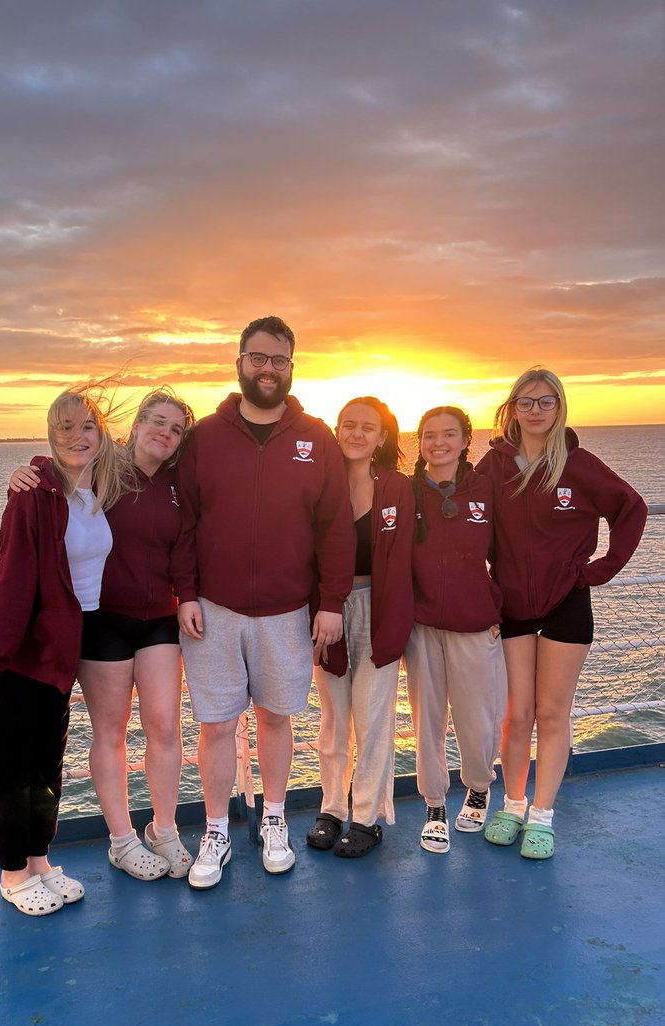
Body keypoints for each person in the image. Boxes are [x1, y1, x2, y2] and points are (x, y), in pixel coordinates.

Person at [174, 316, 355, 889]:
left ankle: (275, 819)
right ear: (240, 363)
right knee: (217, 726)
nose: (268, 369)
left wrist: (331, 602)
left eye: (279, 360)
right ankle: (217, 830)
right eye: (258, 358)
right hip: (215, 610)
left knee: (277, 718)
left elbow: (334, 528)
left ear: (292, 366)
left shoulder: (316, 437)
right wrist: (184, 594)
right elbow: (183, 522)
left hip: (287, 611)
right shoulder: (203, 436)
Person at [8, 390, 196, 881]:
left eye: (176, 429)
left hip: (159, 619)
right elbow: (61, 464)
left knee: (165, 728)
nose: (164, 432)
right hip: (100, 618)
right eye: (157, 421)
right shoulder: (107, 468)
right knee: (110, 733)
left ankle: (164, 829)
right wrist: (25, 471)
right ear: (136, 424)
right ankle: (121, 839)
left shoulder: (180, 483)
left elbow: (188, 549)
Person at [0, 386, 134, 915]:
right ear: (50, 435)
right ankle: (13, 874)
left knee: (47, 767)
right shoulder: (33, 494)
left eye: (87, 426)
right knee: (13, 770)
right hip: (21, 655)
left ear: (101, 434)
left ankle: (39, 861)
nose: (77, 436)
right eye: (65, 428)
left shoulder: (90, 495)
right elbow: (14, 582)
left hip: (62, 652)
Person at [475, 368, 647, 859]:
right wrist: (482, 588)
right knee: (516, 715)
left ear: (560, 406)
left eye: (545, 402)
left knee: (551, 714)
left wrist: (600, 570)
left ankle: (542, 815)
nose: (535, 410)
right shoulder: (494, 465)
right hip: (510, 606)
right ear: (511, 409)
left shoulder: (579, 464)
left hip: (567, 604)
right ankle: (510, 806)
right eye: (525, 402)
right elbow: (469, 528)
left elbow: (631, 509)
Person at [304, 398, 414, 858]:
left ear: (383, 437)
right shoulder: (318, 484)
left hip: (379, 609)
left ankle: (367, 817)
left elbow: (410, 557)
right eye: (348, 425)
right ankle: (331, 807)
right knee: (332, 721)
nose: (356, 434)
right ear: (336, 430)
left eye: (368, 427)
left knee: (373, 720)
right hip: (328, 611)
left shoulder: (397, 488)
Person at [404, 406, 507, 854]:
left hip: (474, 624)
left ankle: (479, 787)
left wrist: (500, 606)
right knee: (427, 721)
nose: (438, 442)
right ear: (419, 442)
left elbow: (512, 549)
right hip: (422, 626)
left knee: (477, 719)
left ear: (467, 438)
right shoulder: (406, 492)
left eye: (449, 434)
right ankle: (433, 805)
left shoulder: (487, 487)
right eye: (429, 435)